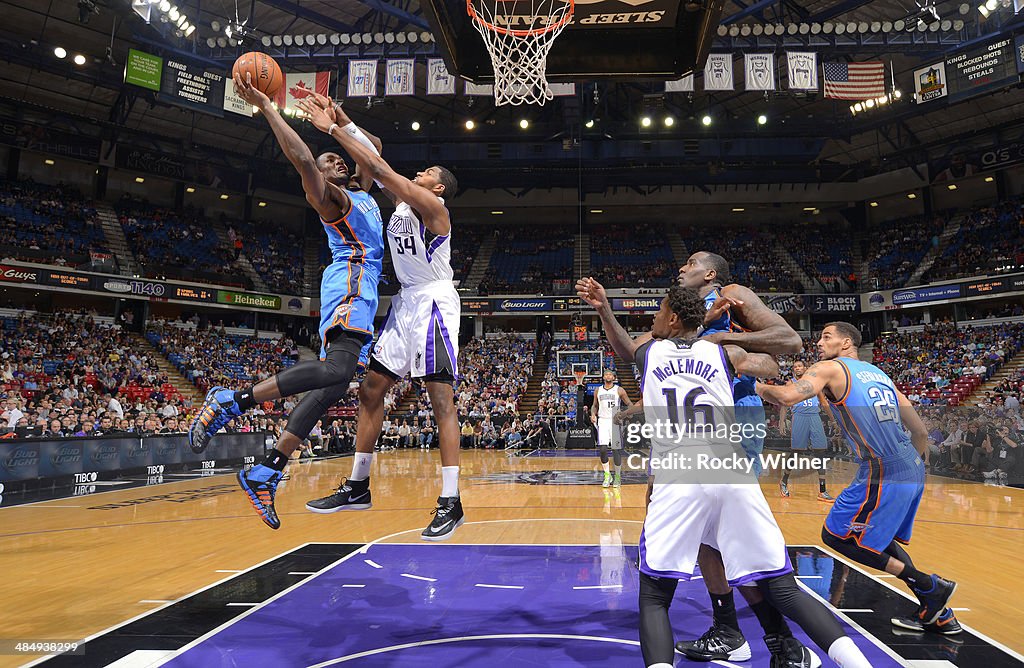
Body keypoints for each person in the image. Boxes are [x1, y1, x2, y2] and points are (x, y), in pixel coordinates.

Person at [577, 251, 814, 665]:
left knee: (732, 540)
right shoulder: (685, 321)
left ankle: (783, 641)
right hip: (689, 427)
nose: (680, 267)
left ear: (709, 273)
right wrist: (607, 311)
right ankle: (730, 629)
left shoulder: (734, 293)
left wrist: (722, 339)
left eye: (689, 263)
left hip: (730, 420)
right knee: (706, 536)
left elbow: (789, 342)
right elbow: (637, 353)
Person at [622, 285, 872, 668]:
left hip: (683, 471)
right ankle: (799, 648)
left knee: (655, 593)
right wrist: (715, 330)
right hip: (729, 468)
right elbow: (771, 363)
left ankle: (765, 639)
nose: (684, 270)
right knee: (774, 581)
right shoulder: (723, 353)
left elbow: (633, 345)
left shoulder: (654, 351)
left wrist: (607, 308)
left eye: (660, 310)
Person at [187, 72, 384, 530]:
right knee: (336, 371)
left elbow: (371, 146)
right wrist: (269, 108)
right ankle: (232, 399)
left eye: (339, 156)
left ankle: (267, 469)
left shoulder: (365, 189)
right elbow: (302, 159)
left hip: (364, 288)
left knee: (332, 388)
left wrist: (339, 120)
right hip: (350, 281)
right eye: (329, 159)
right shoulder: (334, 200)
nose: (335, 158)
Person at [297, 95, 465, 540]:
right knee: (371, 390)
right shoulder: (405, 203)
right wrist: (342, 116)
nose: (418, 173)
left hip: (434, 301)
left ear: (438, 187)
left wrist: (330, 130)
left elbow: (381, 168)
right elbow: (374, 160)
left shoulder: (434, 210)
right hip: (406, 302)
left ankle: (452, 500)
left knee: (440, 400)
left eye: (426, 172)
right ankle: (357, 485)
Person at [756, 322, 962, 636]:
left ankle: (929, 585)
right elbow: (920, 432)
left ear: (847, 341)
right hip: (908, 463)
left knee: (835, 536)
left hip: (883, 468)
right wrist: (909, 466)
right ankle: (940, 612)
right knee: (882, 540)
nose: (820, 342)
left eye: (827, 336)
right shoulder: (881, 375)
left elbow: (786, 396)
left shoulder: (830, 368)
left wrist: (751, 387)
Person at [778, 360, 833, 501]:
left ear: (805, 368)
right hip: (800, 416)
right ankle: (784, 481)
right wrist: (782, 421)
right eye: (795, 367)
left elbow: (824, 402)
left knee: (820, 451)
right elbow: (784, 404)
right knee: (797, 452)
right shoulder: (790, 384)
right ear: (793, 370)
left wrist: (833, 419)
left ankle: (822, 490)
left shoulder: (814, 382)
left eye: (800, 366)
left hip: (814, 416)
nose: (797, 368)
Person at [591, 370, 633, 487]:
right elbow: (594, 405)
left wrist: (626, 414)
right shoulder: (598, 390)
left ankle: (618, 477)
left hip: (615, 421)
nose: (608, 376)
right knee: (603, 449)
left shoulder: (619, 390)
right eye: (606, 374)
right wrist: (593, 414)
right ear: (603, 377)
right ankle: (607, 475)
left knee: (616, 450)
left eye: (610, 375)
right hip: (603, 420)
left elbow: (629, 404)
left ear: (614, 377)